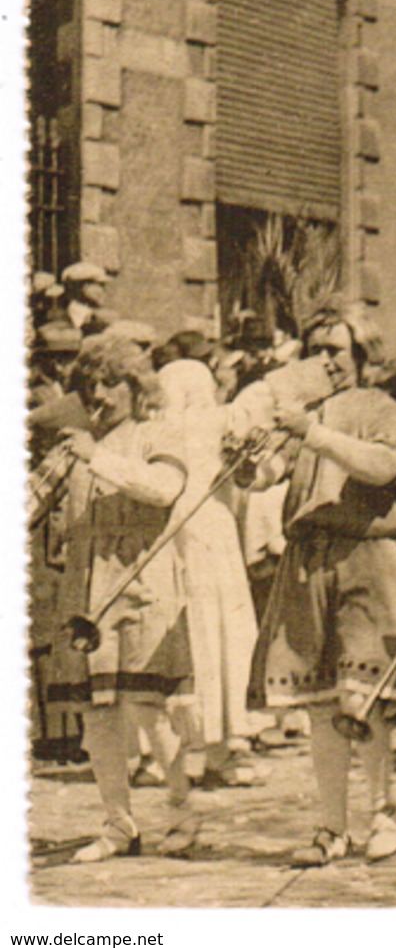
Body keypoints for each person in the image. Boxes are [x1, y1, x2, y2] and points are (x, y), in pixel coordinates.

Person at [247, 302, 396, 867]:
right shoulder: (306, 409)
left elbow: (382, 467)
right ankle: (331, 826)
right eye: (316, 349)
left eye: (335, 349)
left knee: (365, 694)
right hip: (310, 558)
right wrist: (245, 460)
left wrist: (315, 433)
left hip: (370, 557)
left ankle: (384, 813)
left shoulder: (385, 409)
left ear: (363, 355)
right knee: (317, 699)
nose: (324, 360)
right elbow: (266, 474)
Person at [43, 334, 201, 861]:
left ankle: (182, 816)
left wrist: (97, 458)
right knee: (95, 713)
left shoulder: (157, 433)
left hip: (140, 584)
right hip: (86, 587)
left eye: (111, 382)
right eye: (90, 385)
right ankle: (119, 825)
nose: (100, 394)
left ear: (136, 387)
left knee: (148, 706)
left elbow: (162, 489)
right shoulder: (80, 442)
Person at [154, 359, 268, 788]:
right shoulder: (218, 423)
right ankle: (219, 744)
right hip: (209, 535)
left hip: (182, 532)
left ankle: (191, 748)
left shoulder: (160, 430)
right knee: (219, 635)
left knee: (198, 636)